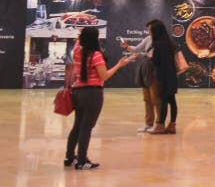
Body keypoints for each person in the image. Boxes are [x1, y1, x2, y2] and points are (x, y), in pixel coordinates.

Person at [65, 27, 131, 170]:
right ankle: (82, 160)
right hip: (92, 93)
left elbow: (77, 41)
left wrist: (80, 36)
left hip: (77, 92)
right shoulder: (96, 55)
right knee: (86, 127)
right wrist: (119, 65)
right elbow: (104, 76)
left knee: (77, 125)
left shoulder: (77, 51)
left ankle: (69, 157)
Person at [120, 33, 160, 132]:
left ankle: (160, 124)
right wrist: (127, 47)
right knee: (147, 99)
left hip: (156, 72)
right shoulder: (147, 38)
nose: (149, 31)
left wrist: (146, 56)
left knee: (156, 99)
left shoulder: (162, 41)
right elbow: (137, 49)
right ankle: (148, 124)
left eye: (150, 28)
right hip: (146, 70)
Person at [148, 20, 178, 134]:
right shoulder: (170, 42)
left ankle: (160, 126)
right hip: (172, 75)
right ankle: (172, 125)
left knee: (163, 101)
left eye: (150, 30)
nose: (149, 32)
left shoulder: (158, 44)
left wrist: (151, 58)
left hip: (163, 76)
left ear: (156, 31)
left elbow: (156, 61)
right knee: (172, 101)